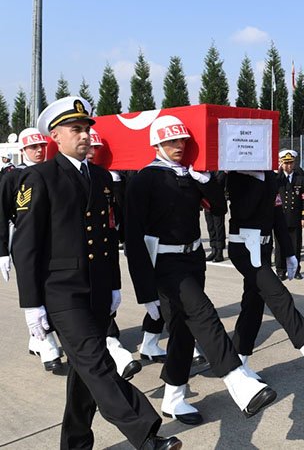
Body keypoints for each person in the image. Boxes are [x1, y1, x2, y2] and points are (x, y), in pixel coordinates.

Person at [13, 97, 179, 450]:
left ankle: (74, 444)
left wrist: (115, 285)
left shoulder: (101, 177)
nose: (86, 135)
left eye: (88, 128)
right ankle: (146, 433)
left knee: (84, 373)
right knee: (98, 363)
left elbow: (106, 235)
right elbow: (25, 246)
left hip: (98, 290)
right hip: (62, 293)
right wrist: (32, 304)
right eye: (77, 130)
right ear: (56, 136)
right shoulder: (39, 176)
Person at [126, 115, 276, 425]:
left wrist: (207, 183)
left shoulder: (190, 175)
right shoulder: (145, 179)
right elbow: (132, 237)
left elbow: (218, 210)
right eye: (170, 141)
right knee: (204, 313)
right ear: (156, 144)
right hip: (165, 264)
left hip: (193, 258)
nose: (178, 146)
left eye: (181, 141)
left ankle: (174, 397)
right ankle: (238, 381)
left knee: (182, 331)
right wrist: (144, 290)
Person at [226, 170, 304, 385]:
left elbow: (278, 216)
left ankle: (239, 362)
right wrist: (258, 181)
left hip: (264, 248)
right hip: (245, 248)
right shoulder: (237, 176)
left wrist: (289, 252)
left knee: (253, 307)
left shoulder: (269, 177)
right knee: (279, 296)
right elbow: (243, 212)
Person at [0, 128, 64, 373]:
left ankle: (36, 338)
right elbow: (2, 214)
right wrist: (2, 251)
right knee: (32, 286)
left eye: (40, 147)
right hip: (24, 236)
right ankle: (45, 341)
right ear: (22, 150)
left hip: (52, 238)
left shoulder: (51, 172)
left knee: (50, 286)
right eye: (32, 147)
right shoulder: (10, 176)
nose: (38, 151)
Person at [86, 128, 144, 380]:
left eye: (95, 148)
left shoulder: (104, 178)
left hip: (104, 246)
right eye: (89, 147)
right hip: (75, 253)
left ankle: (111, 341)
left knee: (106, 299)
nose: (91, 152)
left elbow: (115, 214)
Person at [275, 150, 304, 280]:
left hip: (295, 217)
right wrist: (278, 170)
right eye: (286, 163)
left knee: (295, 246)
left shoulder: (300, 178)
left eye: (291, 163)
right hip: (280, 217)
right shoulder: (278, 178)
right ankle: (281, 270)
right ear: (282, 163)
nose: (288, 166)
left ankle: (295, 270)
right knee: (280, 247)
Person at [204, 171, 227, 262]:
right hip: (207, 202)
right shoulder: (207, 172)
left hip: (218, 203)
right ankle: (213, 249)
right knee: (211, 227)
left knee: (219, 227)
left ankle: (219, 252)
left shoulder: (222, 171)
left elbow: (218, 182)